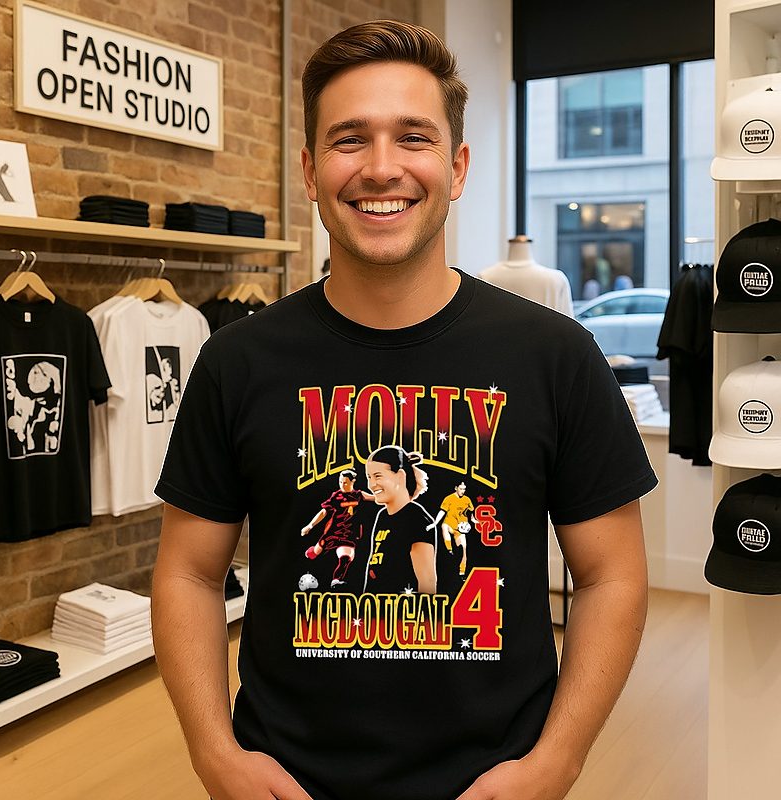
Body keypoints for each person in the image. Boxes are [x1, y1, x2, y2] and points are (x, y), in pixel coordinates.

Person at [151, 19, 657, 800]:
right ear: (310, 170)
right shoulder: (237, 362)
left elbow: (610, 575)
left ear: (456, 167)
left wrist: (558, 759)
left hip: (494, 780)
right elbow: (188, 572)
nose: (381, 167)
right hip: (286, 778)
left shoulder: (555, 356)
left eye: (413, 137)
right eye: (349, 139)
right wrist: (214, 752)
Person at [362, 445, 436, 594]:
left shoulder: (417, 518)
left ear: (400, 476)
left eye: (378, 476)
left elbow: (427, 581)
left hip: (404, 607)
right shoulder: (382, 516)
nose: (371, 485)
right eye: (369, 477)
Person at [300, 468, 371, 588]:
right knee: (314, 553)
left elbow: (377, 498)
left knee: (346, 558)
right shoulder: (336, 496)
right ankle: (311, 554)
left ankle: (336, 580)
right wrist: (310, 525)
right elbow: (323, 512)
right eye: (340, 482)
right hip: (333, 532)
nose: (342, 485)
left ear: (353, 481)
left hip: (349, 534)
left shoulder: (359, 495)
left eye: (345, 482)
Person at [431, 480, 475, 577]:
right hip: (450, 524)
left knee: (463, 549)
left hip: (460, 529)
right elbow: (442, 511)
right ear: (456, 488)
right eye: (461, 489)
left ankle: (462, 572)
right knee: (444, 526)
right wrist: (435, 523)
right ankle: (449, 548)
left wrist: (473, 520)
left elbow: (471, 511)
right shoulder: (449, 499)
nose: (463, 491)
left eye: (464, 489)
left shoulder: (467, 499)